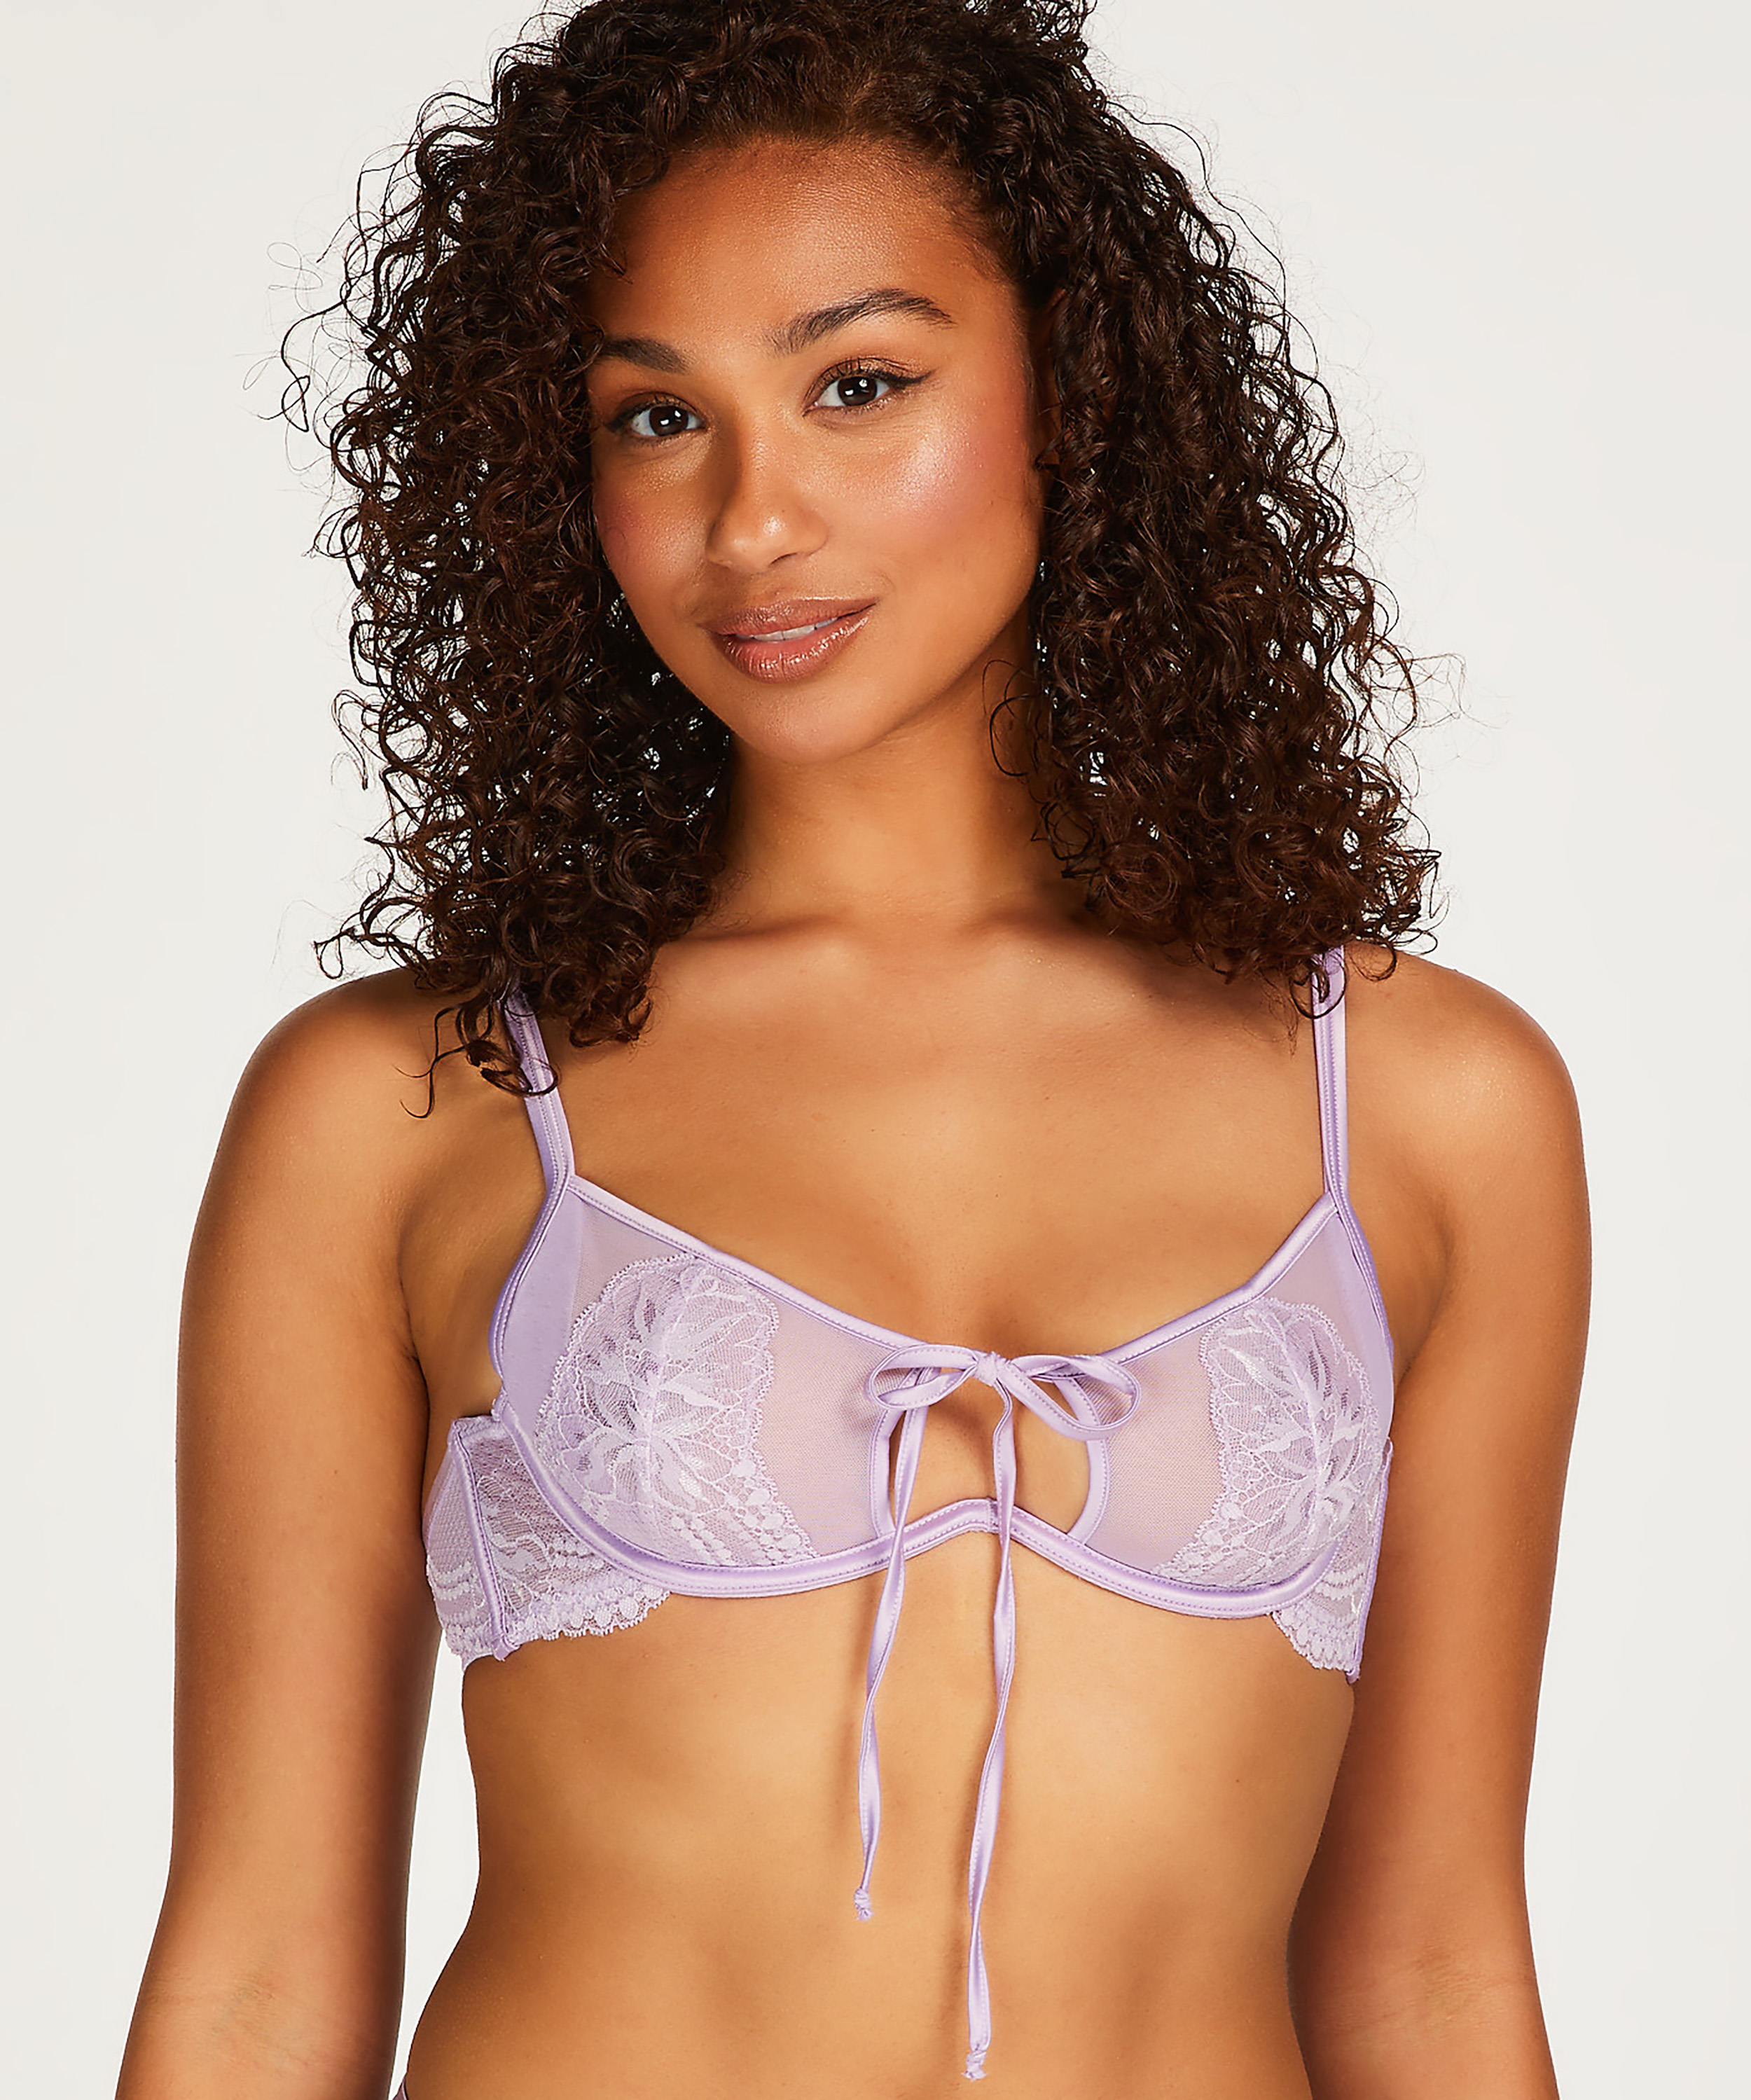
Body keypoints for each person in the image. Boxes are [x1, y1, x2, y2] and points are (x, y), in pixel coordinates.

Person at [118, 2, 1589, 2095]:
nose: (752, 520)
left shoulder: (1426, 1108)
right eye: (656, 417)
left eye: (859, 385)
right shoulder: (408, 1104)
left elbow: (1429, 1970)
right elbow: (262, 1972)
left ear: (1073, 393)